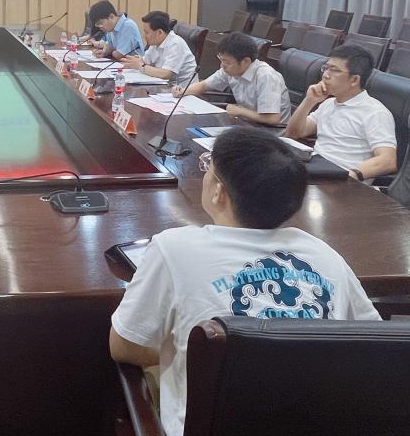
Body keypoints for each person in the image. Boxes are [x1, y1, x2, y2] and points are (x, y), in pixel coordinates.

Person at [109, 128, 381, 436]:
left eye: (207, 166)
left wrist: (192, 354)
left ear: (218, 192)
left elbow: (125, 346)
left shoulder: (172, 249)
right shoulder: (324, 255)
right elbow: (371, 346)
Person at [284, 44, 398, 182]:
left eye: (334, 70)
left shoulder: (375, 112)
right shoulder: (328, 104)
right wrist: (309, 101)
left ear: (354, 80)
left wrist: (352, 175)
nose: (325, 75)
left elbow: (387, 161)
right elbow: (293, 133)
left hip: (343, 181)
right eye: (326, 68)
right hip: (316, 170)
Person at [175, 32, 291, 126]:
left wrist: (240, 111)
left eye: (226, 62)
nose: (222, 66)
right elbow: (204, 85)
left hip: (272, 131)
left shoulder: (266, 76)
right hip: (246, 124)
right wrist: (183, 91)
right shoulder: (230, 70)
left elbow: (272, 118)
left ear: (246, 61)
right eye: (221, 60)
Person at [121, 11, 197, 87]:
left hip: (184, 90)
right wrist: (137, 61)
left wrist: (141, 66)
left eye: (147, 33)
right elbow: (146, 61)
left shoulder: (175, 44)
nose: (144, 36)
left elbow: (166, 74)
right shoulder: (155, 42)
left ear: (159, 32)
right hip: (165, 86)